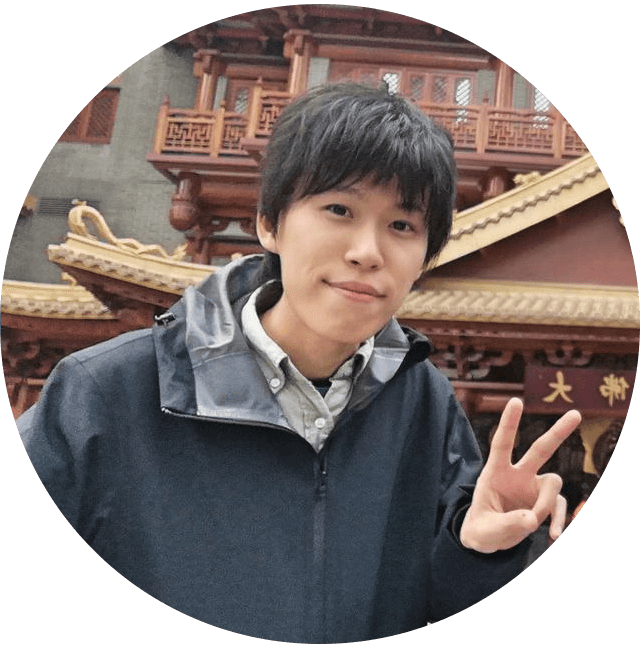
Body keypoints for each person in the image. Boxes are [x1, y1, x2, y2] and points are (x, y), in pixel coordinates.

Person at [17, 83, 581, 643]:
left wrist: (481, 548)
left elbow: (443, 601)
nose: (367, 252)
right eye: (339, 209)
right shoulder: (105, 393)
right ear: (270, 223)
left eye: (402, 226)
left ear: (425, 257)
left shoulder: (423, 401)